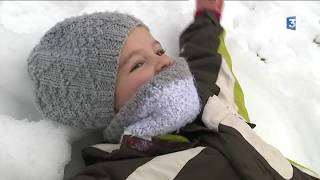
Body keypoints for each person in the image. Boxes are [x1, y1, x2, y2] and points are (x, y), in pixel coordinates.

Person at [27, 0, 319, 179]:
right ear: (101, 103)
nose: (164, 61)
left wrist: (207, 14)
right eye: (137, 64)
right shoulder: (119, 172)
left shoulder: (208, 98)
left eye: (158, 49)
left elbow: (204, 53)